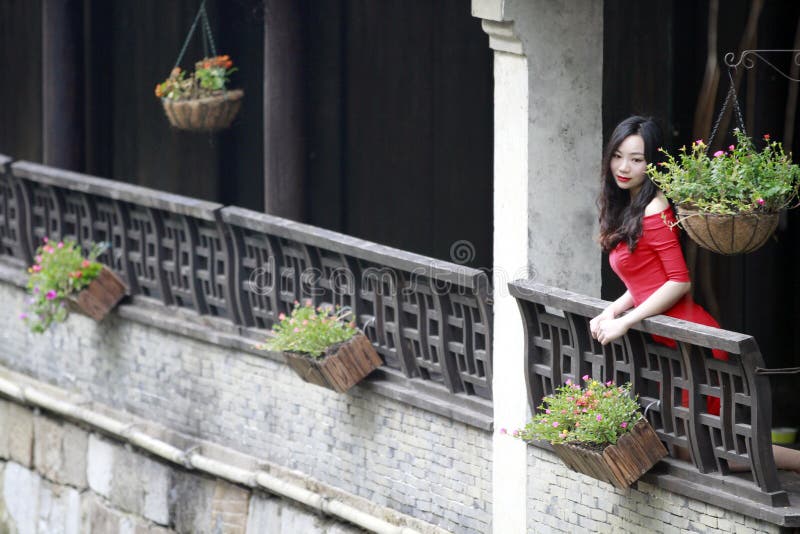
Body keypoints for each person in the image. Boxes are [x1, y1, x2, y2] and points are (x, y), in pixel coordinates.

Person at [589, 115, 800, 472]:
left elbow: (678, 281)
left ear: (652, 163)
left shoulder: (654, 209)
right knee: (693, 447)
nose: (624, 167)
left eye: (637, 159)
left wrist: (626, 321)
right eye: (618, 156)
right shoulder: (630, 206)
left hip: (697, 342)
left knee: (702, 449)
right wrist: (612, 310)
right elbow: (645, 281)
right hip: (677, 344)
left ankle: (795, 461)